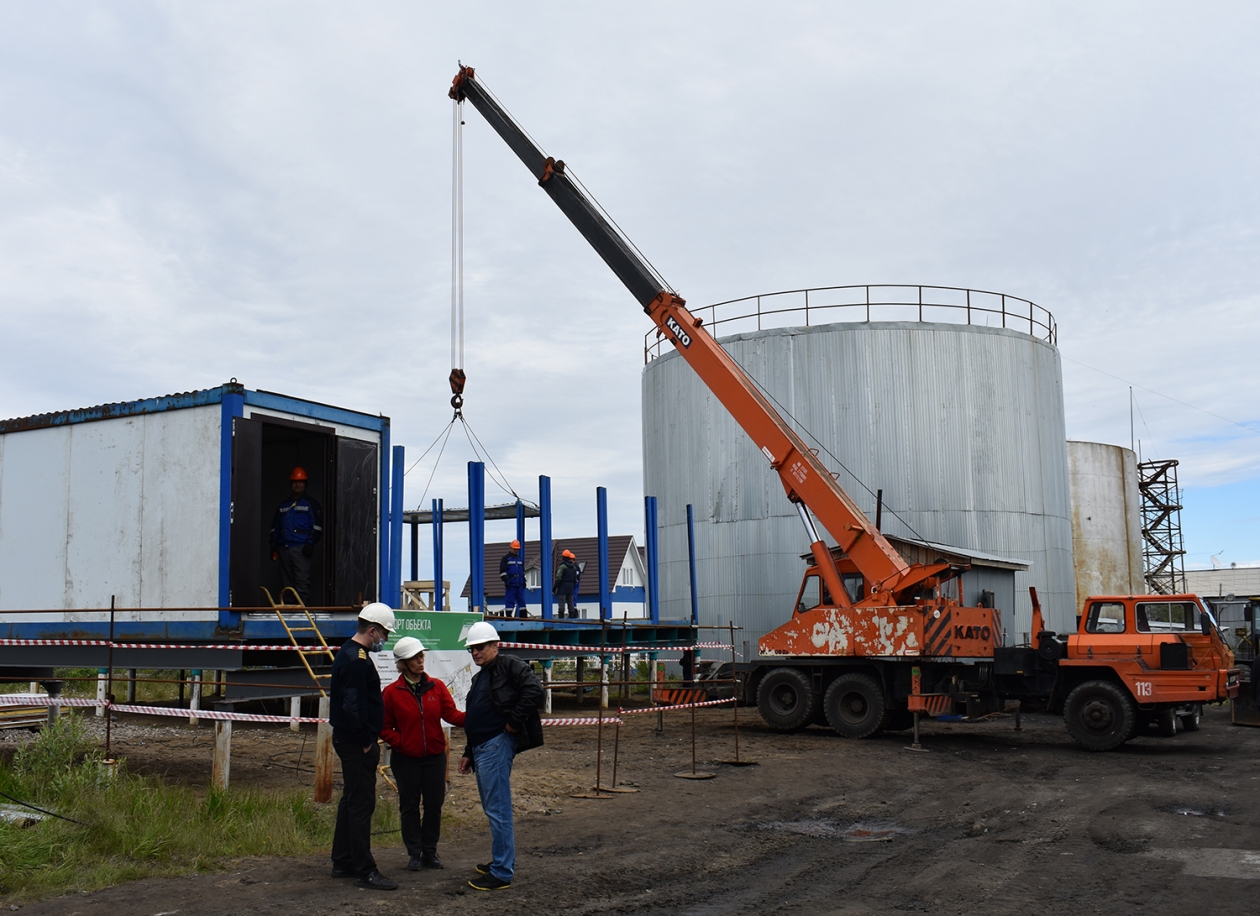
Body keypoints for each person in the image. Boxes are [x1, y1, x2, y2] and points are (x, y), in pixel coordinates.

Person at [456, 621, 544, 891]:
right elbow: (476, 715)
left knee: (498, 809)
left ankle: (502, 871)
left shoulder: (509, 665)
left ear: (496, 645)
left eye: (480, 647)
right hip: (483, 748)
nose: (475, 653)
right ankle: (500, 860)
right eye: (472, 649)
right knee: (493, 808)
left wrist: (514, 723)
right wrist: (468, 752)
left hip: (496, 746)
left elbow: (534, 690)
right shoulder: (482, 675)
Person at [380, 636, 466, 871]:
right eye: (415, 658)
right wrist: (402, 743)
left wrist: (476, 717)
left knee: (433, 805)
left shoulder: (436, 687)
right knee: (409, 806)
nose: (421, 661)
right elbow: (383, 727)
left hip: (434, 759)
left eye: (421, 656)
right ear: (403, 663)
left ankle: (430, 852)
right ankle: (414, 854)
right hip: (405, 760)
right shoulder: (391, 693)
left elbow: (452, 715)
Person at [329, 603, 398, 891]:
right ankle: (365, 869)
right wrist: (366, 742)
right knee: (361, 804)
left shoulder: (349, 652)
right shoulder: (357, 660)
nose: (385, 639)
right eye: (384, 633)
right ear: (372, 630)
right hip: (357, 743)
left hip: (350, 739)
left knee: (350, 801)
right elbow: (353, 705)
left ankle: (343, 860)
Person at [269, 466, 324, 605]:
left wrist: (310, 543)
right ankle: (288, 610)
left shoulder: (311, 504)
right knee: (286, 583)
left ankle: (302, 611)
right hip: (284, 549)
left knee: (302, 581)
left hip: (301, 549)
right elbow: (275, 527)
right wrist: (274, 546)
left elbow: (317, 527)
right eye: (295, 482)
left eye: (301, 482)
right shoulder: (283, 505)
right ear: (291, 484)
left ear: (305, 484)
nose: (297, 484)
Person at [499, 540, 528, 618]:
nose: (516, 550)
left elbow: (522, 571)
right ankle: (509, 617)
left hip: (520, 583)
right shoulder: (506, 558)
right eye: (515, 549)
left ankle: (523, 617)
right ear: (511, 548)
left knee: (522, 601)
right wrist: (506, 580)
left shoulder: (519, 559)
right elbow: (502, 572)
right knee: (510, 601)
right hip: (511, 584)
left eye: (517, 549)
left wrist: (524, 581)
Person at [553, 549, 578, 619]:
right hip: (570, 589)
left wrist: (555, 587)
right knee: (571, 603)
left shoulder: (562, 567)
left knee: (561, 604)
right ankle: (572, 618)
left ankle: (561, 619)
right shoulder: (574, 568)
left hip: (562, 588)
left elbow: (558, 577)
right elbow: (575, 580)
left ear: (563, 557)